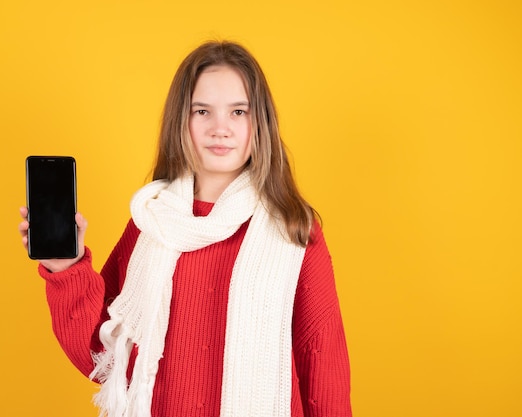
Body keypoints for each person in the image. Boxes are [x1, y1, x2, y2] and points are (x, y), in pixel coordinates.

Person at [19, 40, 351, 417]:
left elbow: (322, 365)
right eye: (202, 111)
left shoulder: (294, 230)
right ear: (182, 121)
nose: (220, 128)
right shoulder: (152, 222)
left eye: (238, 111)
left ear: (259, 122)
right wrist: (66, 268)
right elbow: (102, 356)